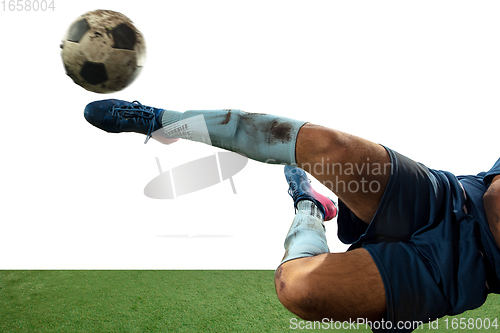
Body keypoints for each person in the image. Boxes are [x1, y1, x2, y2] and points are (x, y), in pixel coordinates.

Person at [84, 99, 500, 332]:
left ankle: (310, 206)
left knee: (298, 288)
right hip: (450, 199)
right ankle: (162, 122)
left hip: (454, 273)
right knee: (326, 146)